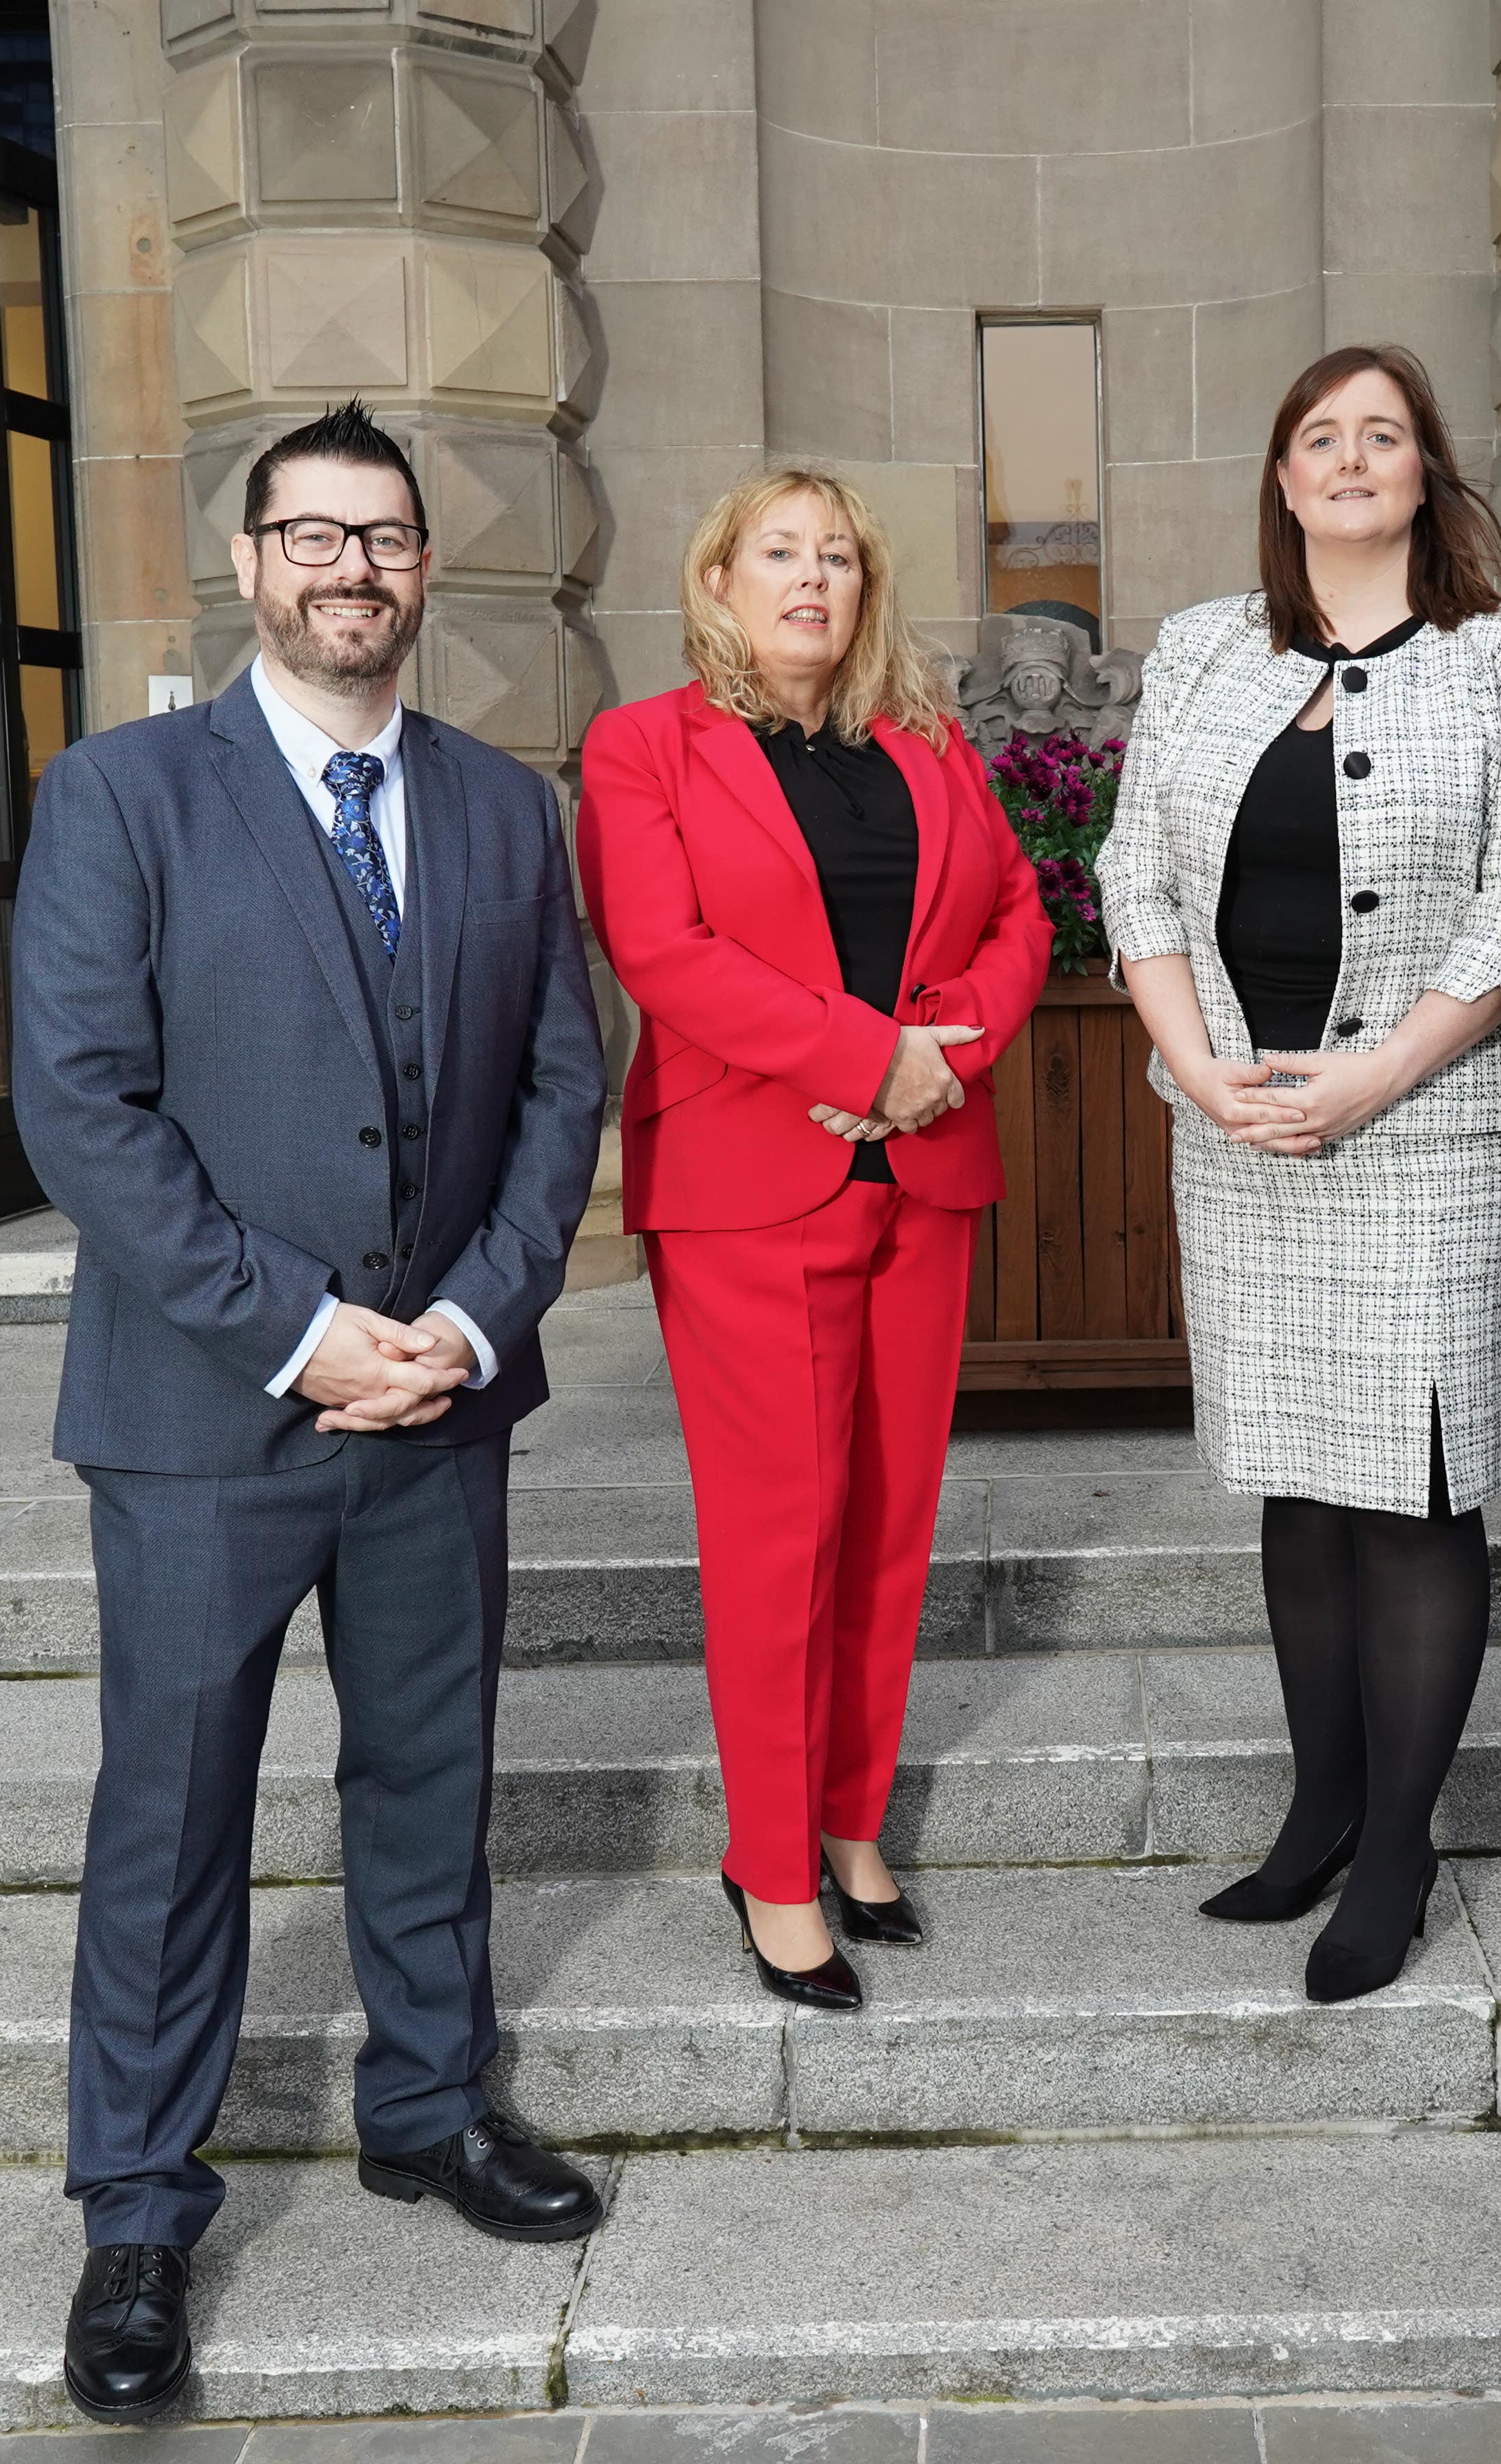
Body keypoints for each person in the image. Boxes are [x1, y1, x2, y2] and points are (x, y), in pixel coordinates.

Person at [11, 400, 611, 2418]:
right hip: (207, 1410)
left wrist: (462, 1316)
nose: (352, 569)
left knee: (429, 1782)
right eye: (313, 536)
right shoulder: (122, 797)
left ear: (424, 570)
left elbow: (558, 1091)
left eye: (387, 539)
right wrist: (300, 1331)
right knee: (170, 1821)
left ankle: (429, 2105)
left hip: (443, 1399)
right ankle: (138, 2213)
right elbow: (80, 1106)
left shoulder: (510, 812)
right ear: (250, 562)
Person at [1094, 345, 1501, 2006]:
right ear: (1286, 476)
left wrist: (1376, 1074)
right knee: (1299, 1479)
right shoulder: (1202, 651)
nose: (1355, 457)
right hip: (1241, 1129)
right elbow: (1136, 870)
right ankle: (1319, 1807)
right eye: (1325, 434)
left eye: (1386, 433)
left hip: (1433, 1130)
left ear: (1427, 473)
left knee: (1415, 1484)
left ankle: (1399, 1849)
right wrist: (1202, 1066)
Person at [575, 469, 1053, 2011]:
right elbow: (663, 948)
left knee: (890, 1522)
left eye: (837, 555)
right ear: (717, 579)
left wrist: (940, 1061)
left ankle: (854, 1823)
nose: (810, 578)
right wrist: (866, 1060)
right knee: (781, 1534)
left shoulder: (928, 748)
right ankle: (770, 1864)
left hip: (919, 1173)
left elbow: (1022, 921)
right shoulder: (645, 746)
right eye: (778, 551)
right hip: (742, 1184)